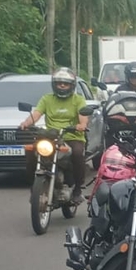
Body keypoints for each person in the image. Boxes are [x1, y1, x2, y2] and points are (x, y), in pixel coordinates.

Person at [19, 67, 89, 204]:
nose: (62, 85)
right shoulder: (47, 99)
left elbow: (83, 117)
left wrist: (81, 125)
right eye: (59, 83)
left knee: (77, 153)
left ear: (72, 85)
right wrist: (26, 123)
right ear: (54, 84)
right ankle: (35, 187)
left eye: (66, 83)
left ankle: (77, 190)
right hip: (51, 136)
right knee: (31, 152)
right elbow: (36, 114)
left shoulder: (78, 100)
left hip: (72, 136)